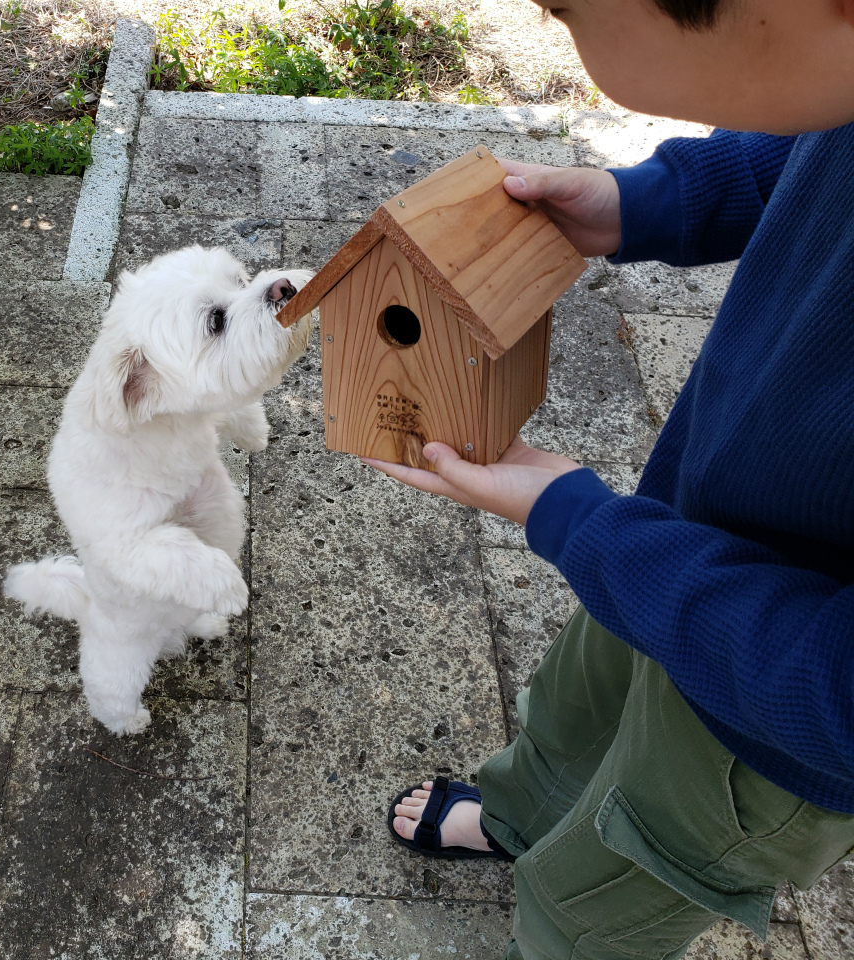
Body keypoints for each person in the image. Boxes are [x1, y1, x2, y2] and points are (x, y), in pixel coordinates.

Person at [363, 0, 854, 957]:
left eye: (570, 8)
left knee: (596, 902)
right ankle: (519, 812)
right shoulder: (834, 68)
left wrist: (584, 528)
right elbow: (811, 150)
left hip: (765, 746)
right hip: (677, 535)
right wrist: (647, 203)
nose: (557, 23)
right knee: (574, 711)